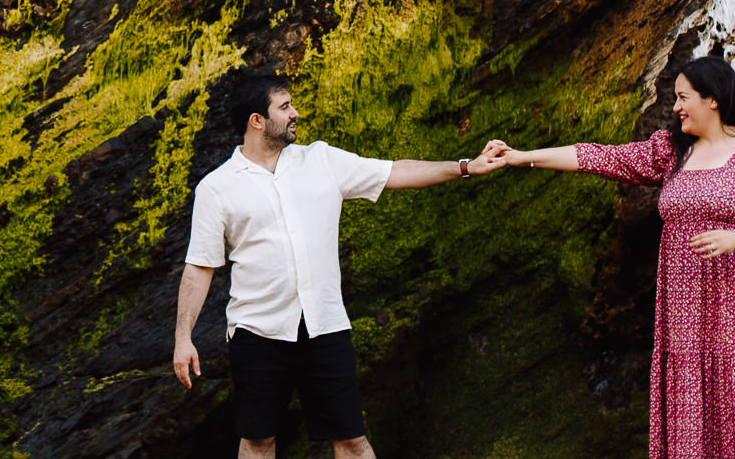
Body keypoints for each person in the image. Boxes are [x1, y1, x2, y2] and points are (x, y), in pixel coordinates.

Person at [173, 72, 506, 459]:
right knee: (259, 441)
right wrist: (183, 338)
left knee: (351, 440)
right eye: (285, 107)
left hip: (324, 325)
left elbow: (396, 171)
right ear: (256, 120)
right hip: (257, 333)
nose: (295, 113)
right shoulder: (217, 187)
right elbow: (200, 266)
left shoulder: (321, 159)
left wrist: (465, 166)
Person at [493, 55, 735, 459]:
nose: (675, 108)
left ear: (712, 99)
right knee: (693, 416)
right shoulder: (673, 153)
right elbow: (602, 158)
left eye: (682, 97)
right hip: (686, 318)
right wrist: (524, 156)